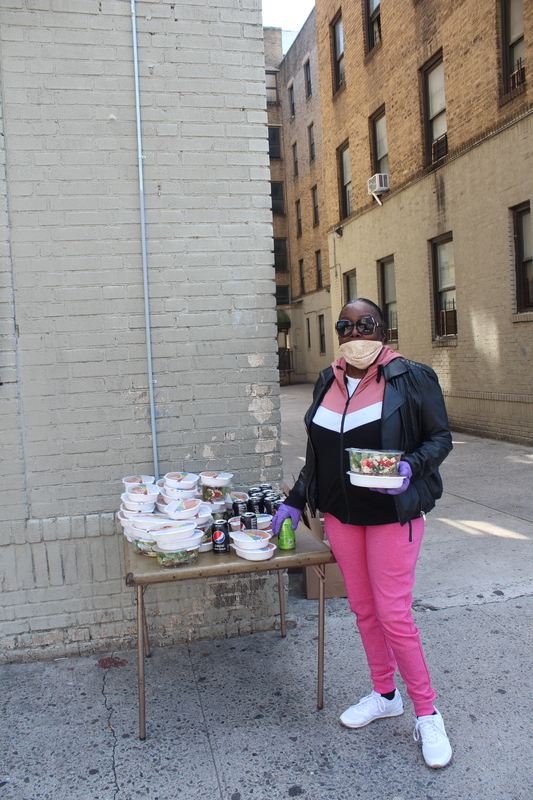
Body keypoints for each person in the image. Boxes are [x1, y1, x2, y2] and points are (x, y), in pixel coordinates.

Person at [272, 298, 453, 769]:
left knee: (394, 613)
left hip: (393, 514)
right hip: (341, 516)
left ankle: (427, 712)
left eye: (366, 324)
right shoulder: (327, 380)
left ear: (383, 330)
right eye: (346, 327)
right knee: (363, 609)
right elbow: (318, 454)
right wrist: (296, 498)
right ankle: (384, 692)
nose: (356, 335)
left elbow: (440, 438)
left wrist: (411, 466)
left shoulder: (411, 377)